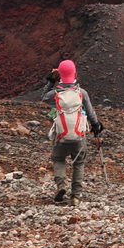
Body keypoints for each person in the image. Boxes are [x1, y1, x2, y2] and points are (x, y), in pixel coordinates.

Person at [41, 59, 103, 205]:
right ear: (75, 73)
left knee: (58, 159)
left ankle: (61, 185)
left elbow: (43, 97)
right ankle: (76, 195)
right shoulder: (82, 93)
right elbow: (91, 113)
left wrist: (51, 80)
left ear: (59, 74)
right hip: (78, 136)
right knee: (79, 163)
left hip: (61, 135)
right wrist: (96, 126)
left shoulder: (55, 93)